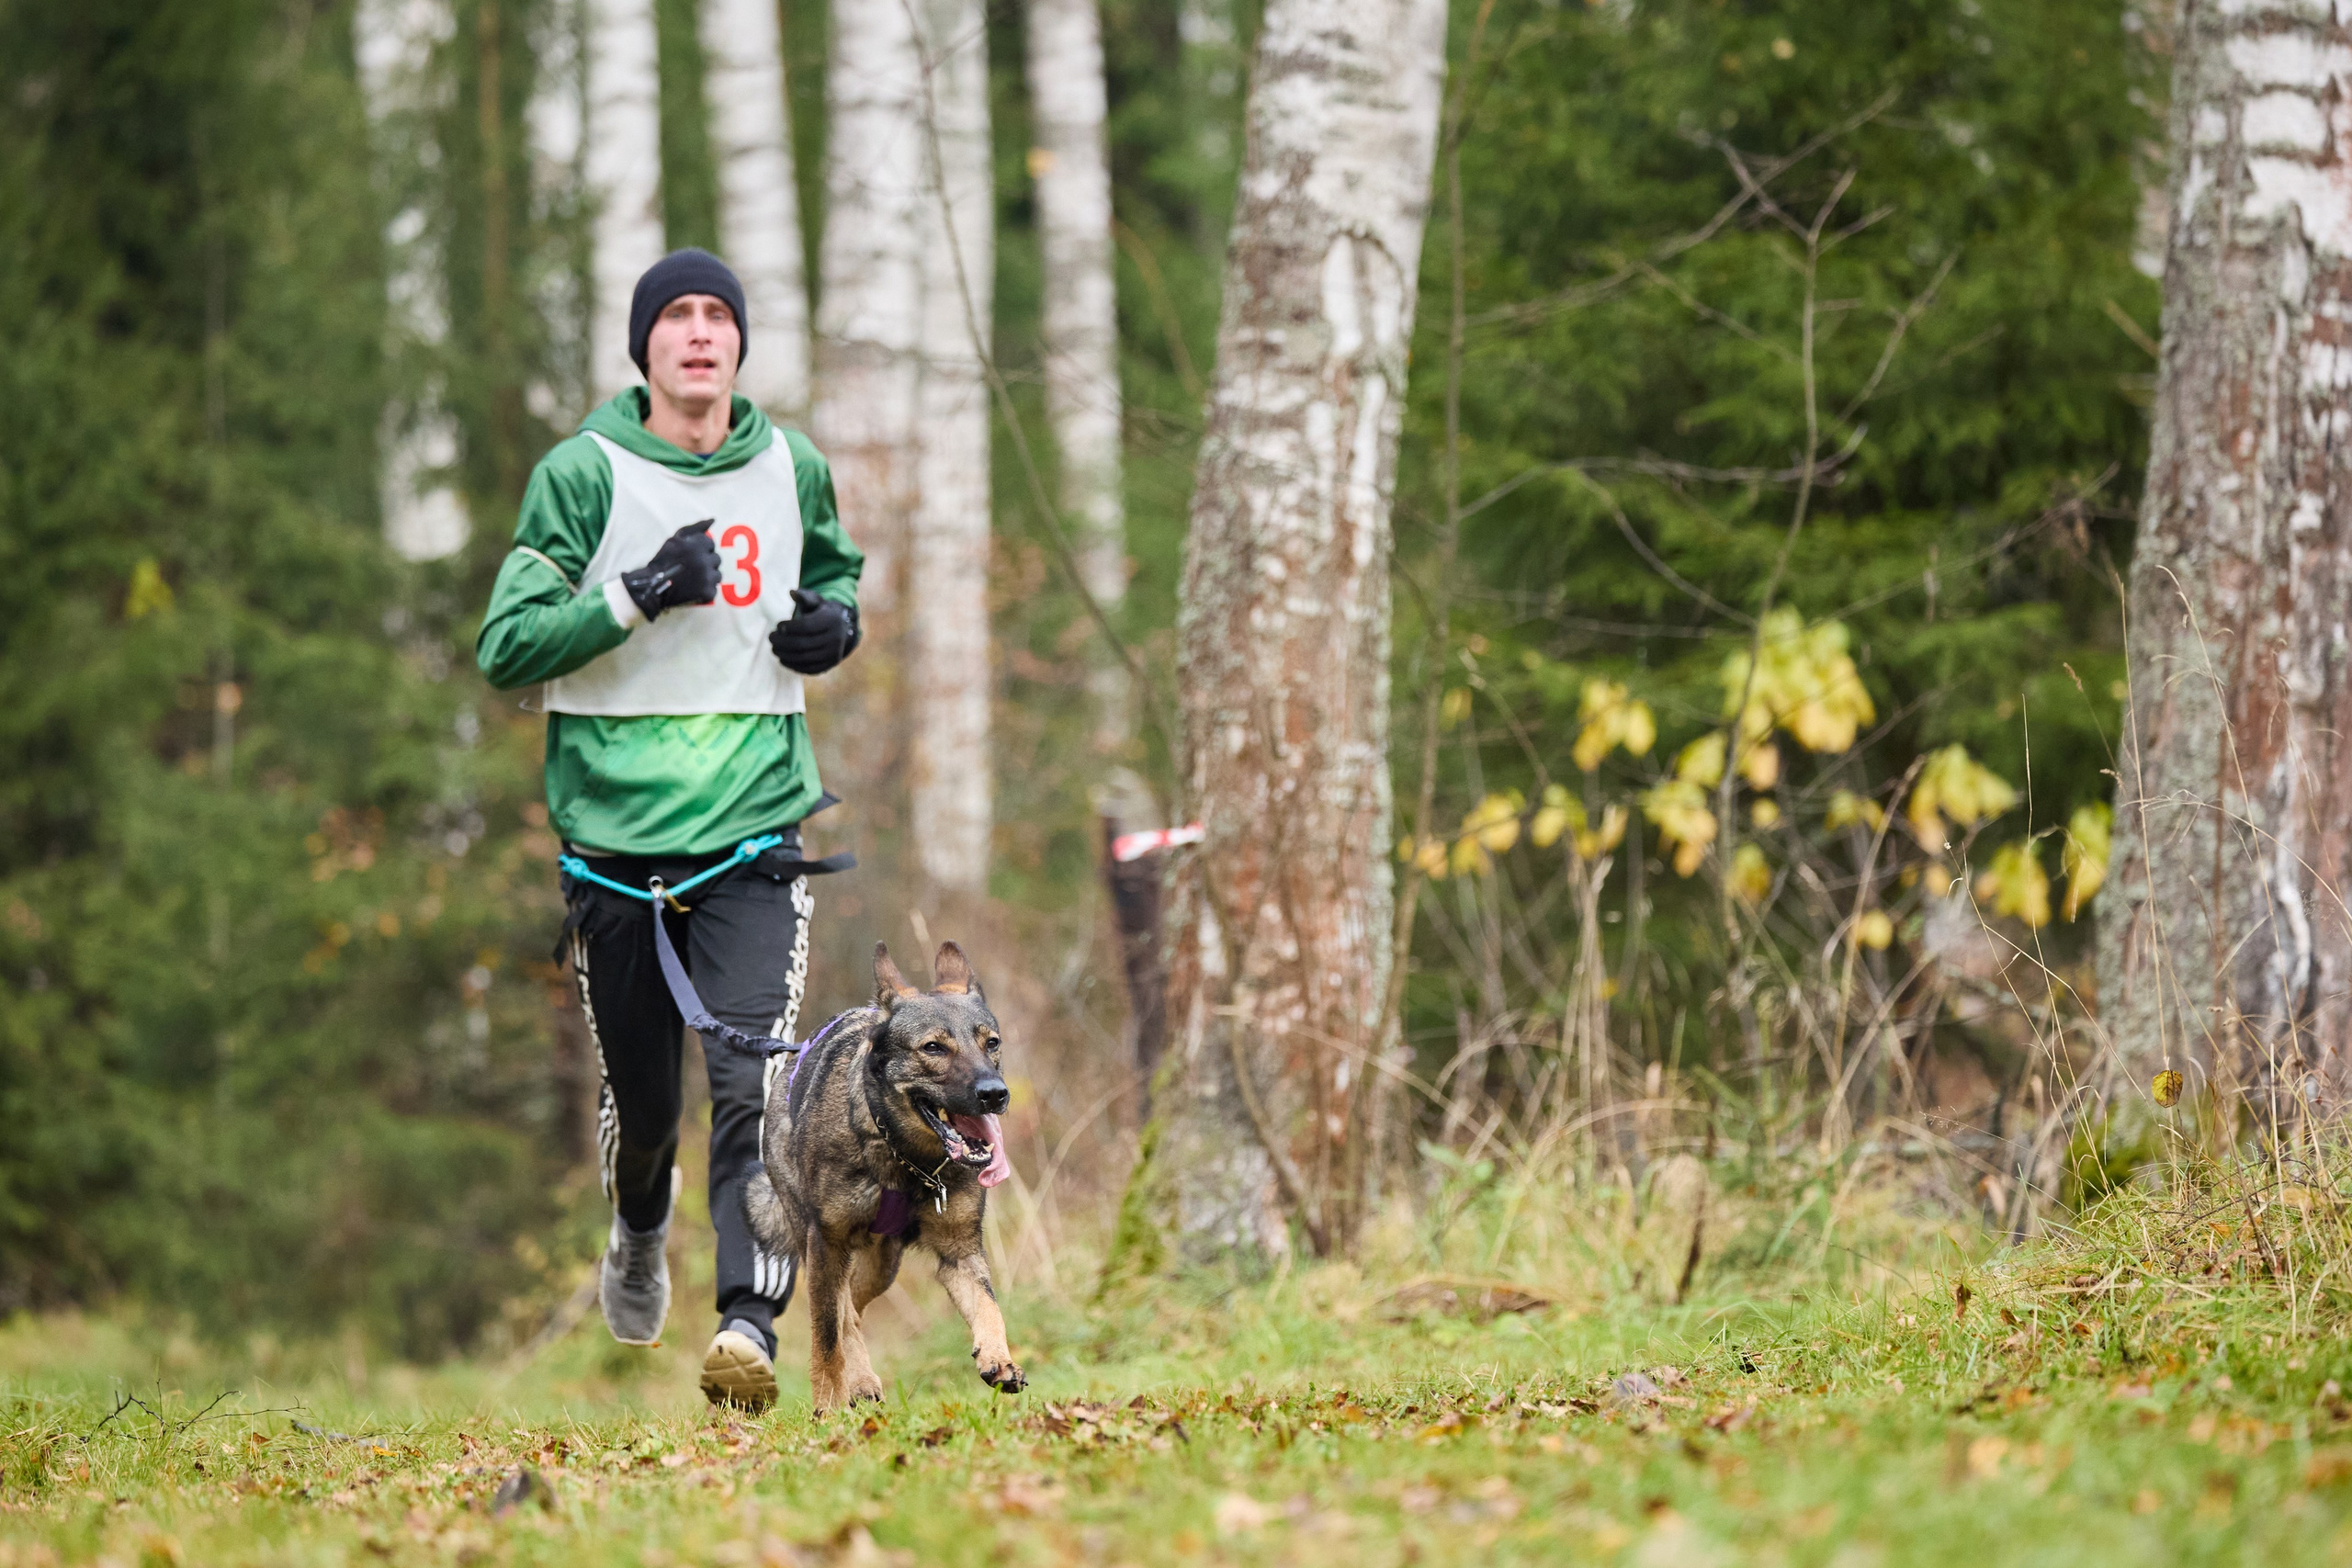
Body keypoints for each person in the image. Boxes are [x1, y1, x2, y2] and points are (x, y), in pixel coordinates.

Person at [476, 248, 863, 1412]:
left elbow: (834, 577)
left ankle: (749, 1326)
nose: (699, 334)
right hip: (616, 851)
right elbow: (506, 647)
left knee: (755, 1083)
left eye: (717, 317)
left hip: (754, 835)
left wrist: (836, 627)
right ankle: (638, 1225)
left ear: (739, 344)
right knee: (648, 1107)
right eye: (675, 318)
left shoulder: (792, 465)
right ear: (645, 348)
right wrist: (639, 589)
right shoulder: (583, 475)